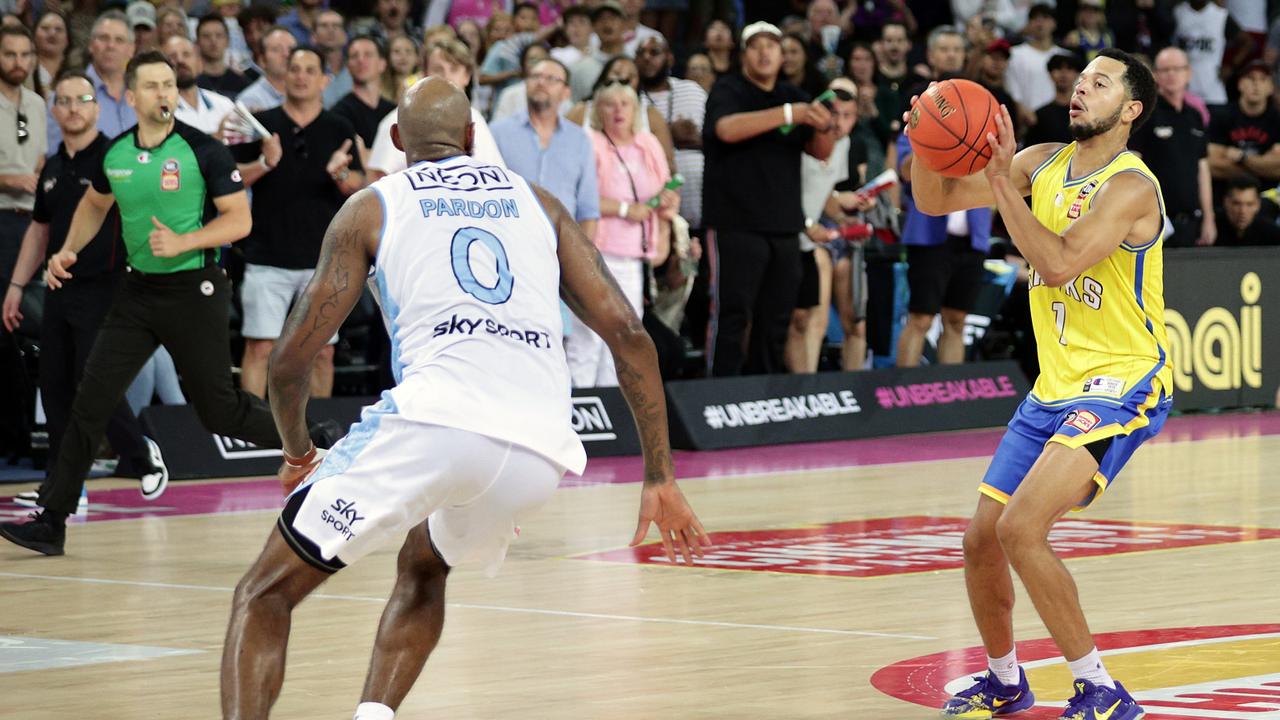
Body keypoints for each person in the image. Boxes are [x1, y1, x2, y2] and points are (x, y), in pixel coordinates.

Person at [219, 76, 708, 720]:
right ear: (475, 138)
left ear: (395, 141)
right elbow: (630, 335)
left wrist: (299, 450)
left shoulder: (373, 204)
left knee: (262, 594)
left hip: (434, 422)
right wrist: (660, 476)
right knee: (425, 561)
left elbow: (288, 363)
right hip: (539, 450)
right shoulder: (537, 202)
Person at [911, 49, 1169, 720]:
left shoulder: (1131, 186)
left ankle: (1101, 688)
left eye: (1100, 82)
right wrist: (920, 135)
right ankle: (1003, 681)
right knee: (980, 540)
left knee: (1022, 528)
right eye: (1080, 78)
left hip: (1122, 382)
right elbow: (933, 198)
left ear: (1130, 110)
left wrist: (1000, 183)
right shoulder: (1039, 161)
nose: (1081, 87)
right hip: (1055, 386)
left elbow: (1054, 264)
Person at [0, 53, 334, 557]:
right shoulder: (114, 156)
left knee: (219, 411)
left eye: (169, 85)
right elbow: (95, 203)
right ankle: (52, 519)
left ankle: (315, 437)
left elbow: (238, 221)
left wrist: (184, 242)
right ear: (131, 97)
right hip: (137, 293)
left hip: (194, 289)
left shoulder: (203, 152)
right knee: (91, 400)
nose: (164, 93)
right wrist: (69, 248)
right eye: (152, 86)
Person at [5, 70, 168, 507]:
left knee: (90, 381)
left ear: (96, 108)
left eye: (82, 99)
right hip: (58, 287)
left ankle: (142, 453)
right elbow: (39, 230)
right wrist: (17, 285)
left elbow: (147, 212)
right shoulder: (54, 166)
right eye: (64, 101)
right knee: (55, 387)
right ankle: (64, 489)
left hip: (107, 287)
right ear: (54, 111)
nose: (73, 108)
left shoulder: (117, 157)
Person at [702, 21, 839, 377]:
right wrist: (792, 113)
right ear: (743, 54)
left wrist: (827, 124)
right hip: (735, 223)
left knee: (776, 316)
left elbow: (820, 151)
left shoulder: (791, 93)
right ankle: (719, 392)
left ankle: (763, 392)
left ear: (782, 55)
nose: (764, 52)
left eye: (772, 46)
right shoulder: (728, 89)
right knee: (733, 313)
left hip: (783, 225)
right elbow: (726, 129)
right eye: (755, 46)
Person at [234, 46, 364, 399]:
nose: (301, 76)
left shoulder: (341, 127)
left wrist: (340, 176)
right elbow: (230, 179)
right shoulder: (265, 126)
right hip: (266, 258)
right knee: (260, 348)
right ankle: (255, 440)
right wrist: (264, 162)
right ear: (284, 76)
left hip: (323, 262)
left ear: (324, 80)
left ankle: (319, 439)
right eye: (295, 69)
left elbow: (361, 186)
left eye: (310, 70)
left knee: (322, 353)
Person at [568, 81, 678, 387]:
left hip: (634, 257)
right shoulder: (589, 143)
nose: (618, 110)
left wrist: (668, 201)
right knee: (588, 336)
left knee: (625, 338)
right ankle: (583, 409)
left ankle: (613, 411)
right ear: (597, 111)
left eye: (625, 104)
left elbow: (664, 188)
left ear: (635, 111)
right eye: (609, 104)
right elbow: (580, 197)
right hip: (596, 253)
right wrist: (624, 209)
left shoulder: (648, 144)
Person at [490, 58, 599, 240]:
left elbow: (588, 209)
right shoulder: (497, 132)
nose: (541, 82)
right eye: (535, 76)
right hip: (508, 243)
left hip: (562, 248)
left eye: (551, 79)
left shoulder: (579, 140)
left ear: (566, 92)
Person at [1130, 47, 1214, 248]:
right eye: (1165, 70)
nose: (1171, 75)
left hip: (1192, 220)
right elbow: (1133, 164)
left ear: (1188, 73)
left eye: (1177, 69)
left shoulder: (1195, 115)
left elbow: (1202, 169)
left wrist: (1209, 218)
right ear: (1156, 75)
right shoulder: (1145, 113)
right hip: (1157, 221)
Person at [46, 10, 137, 155]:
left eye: (119, 40)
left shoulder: (141, 94)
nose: (111, 46)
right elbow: (55, 154)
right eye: (104, 38)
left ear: (131, 49)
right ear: (91, 45)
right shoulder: (65, 94)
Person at [1207, 60, 1280, 196]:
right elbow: (1211, 164)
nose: (1256, 84)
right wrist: (1263, 166)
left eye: (1262, 79)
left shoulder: (1277, 119)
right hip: (1225, 195)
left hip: (1267, 197)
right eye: (1250, 78)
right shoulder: (1221, 115)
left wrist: (1242, 158)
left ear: (1271, 87)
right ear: (1240, 84)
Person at [164, 34, 237, 136]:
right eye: (172, 56)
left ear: (200, 63)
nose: (180, 60)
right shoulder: (162, 110)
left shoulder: (224, 105)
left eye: (186, 54)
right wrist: (217, 137)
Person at [1026, 53, 1084, 146]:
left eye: (1069, 69)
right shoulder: (1040, 115)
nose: (1063, 74)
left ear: (1077, 74)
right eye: (1058, 68)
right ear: (1050, 74)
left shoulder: (1085, 112)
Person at [237, 26, 296, 112]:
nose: (286, 54)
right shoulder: (250, 100)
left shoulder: (311, 93)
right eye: (277, 49)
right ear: (262, 61)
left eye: (291, 49)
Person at [1217, 175, 1280, 246]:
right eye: (1236, 204)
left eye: (1249, 204)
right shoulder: (1208, 229)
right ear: (1226, 202)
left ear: (1258, 204)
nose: (1242, 211)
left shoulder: (1271, 233)